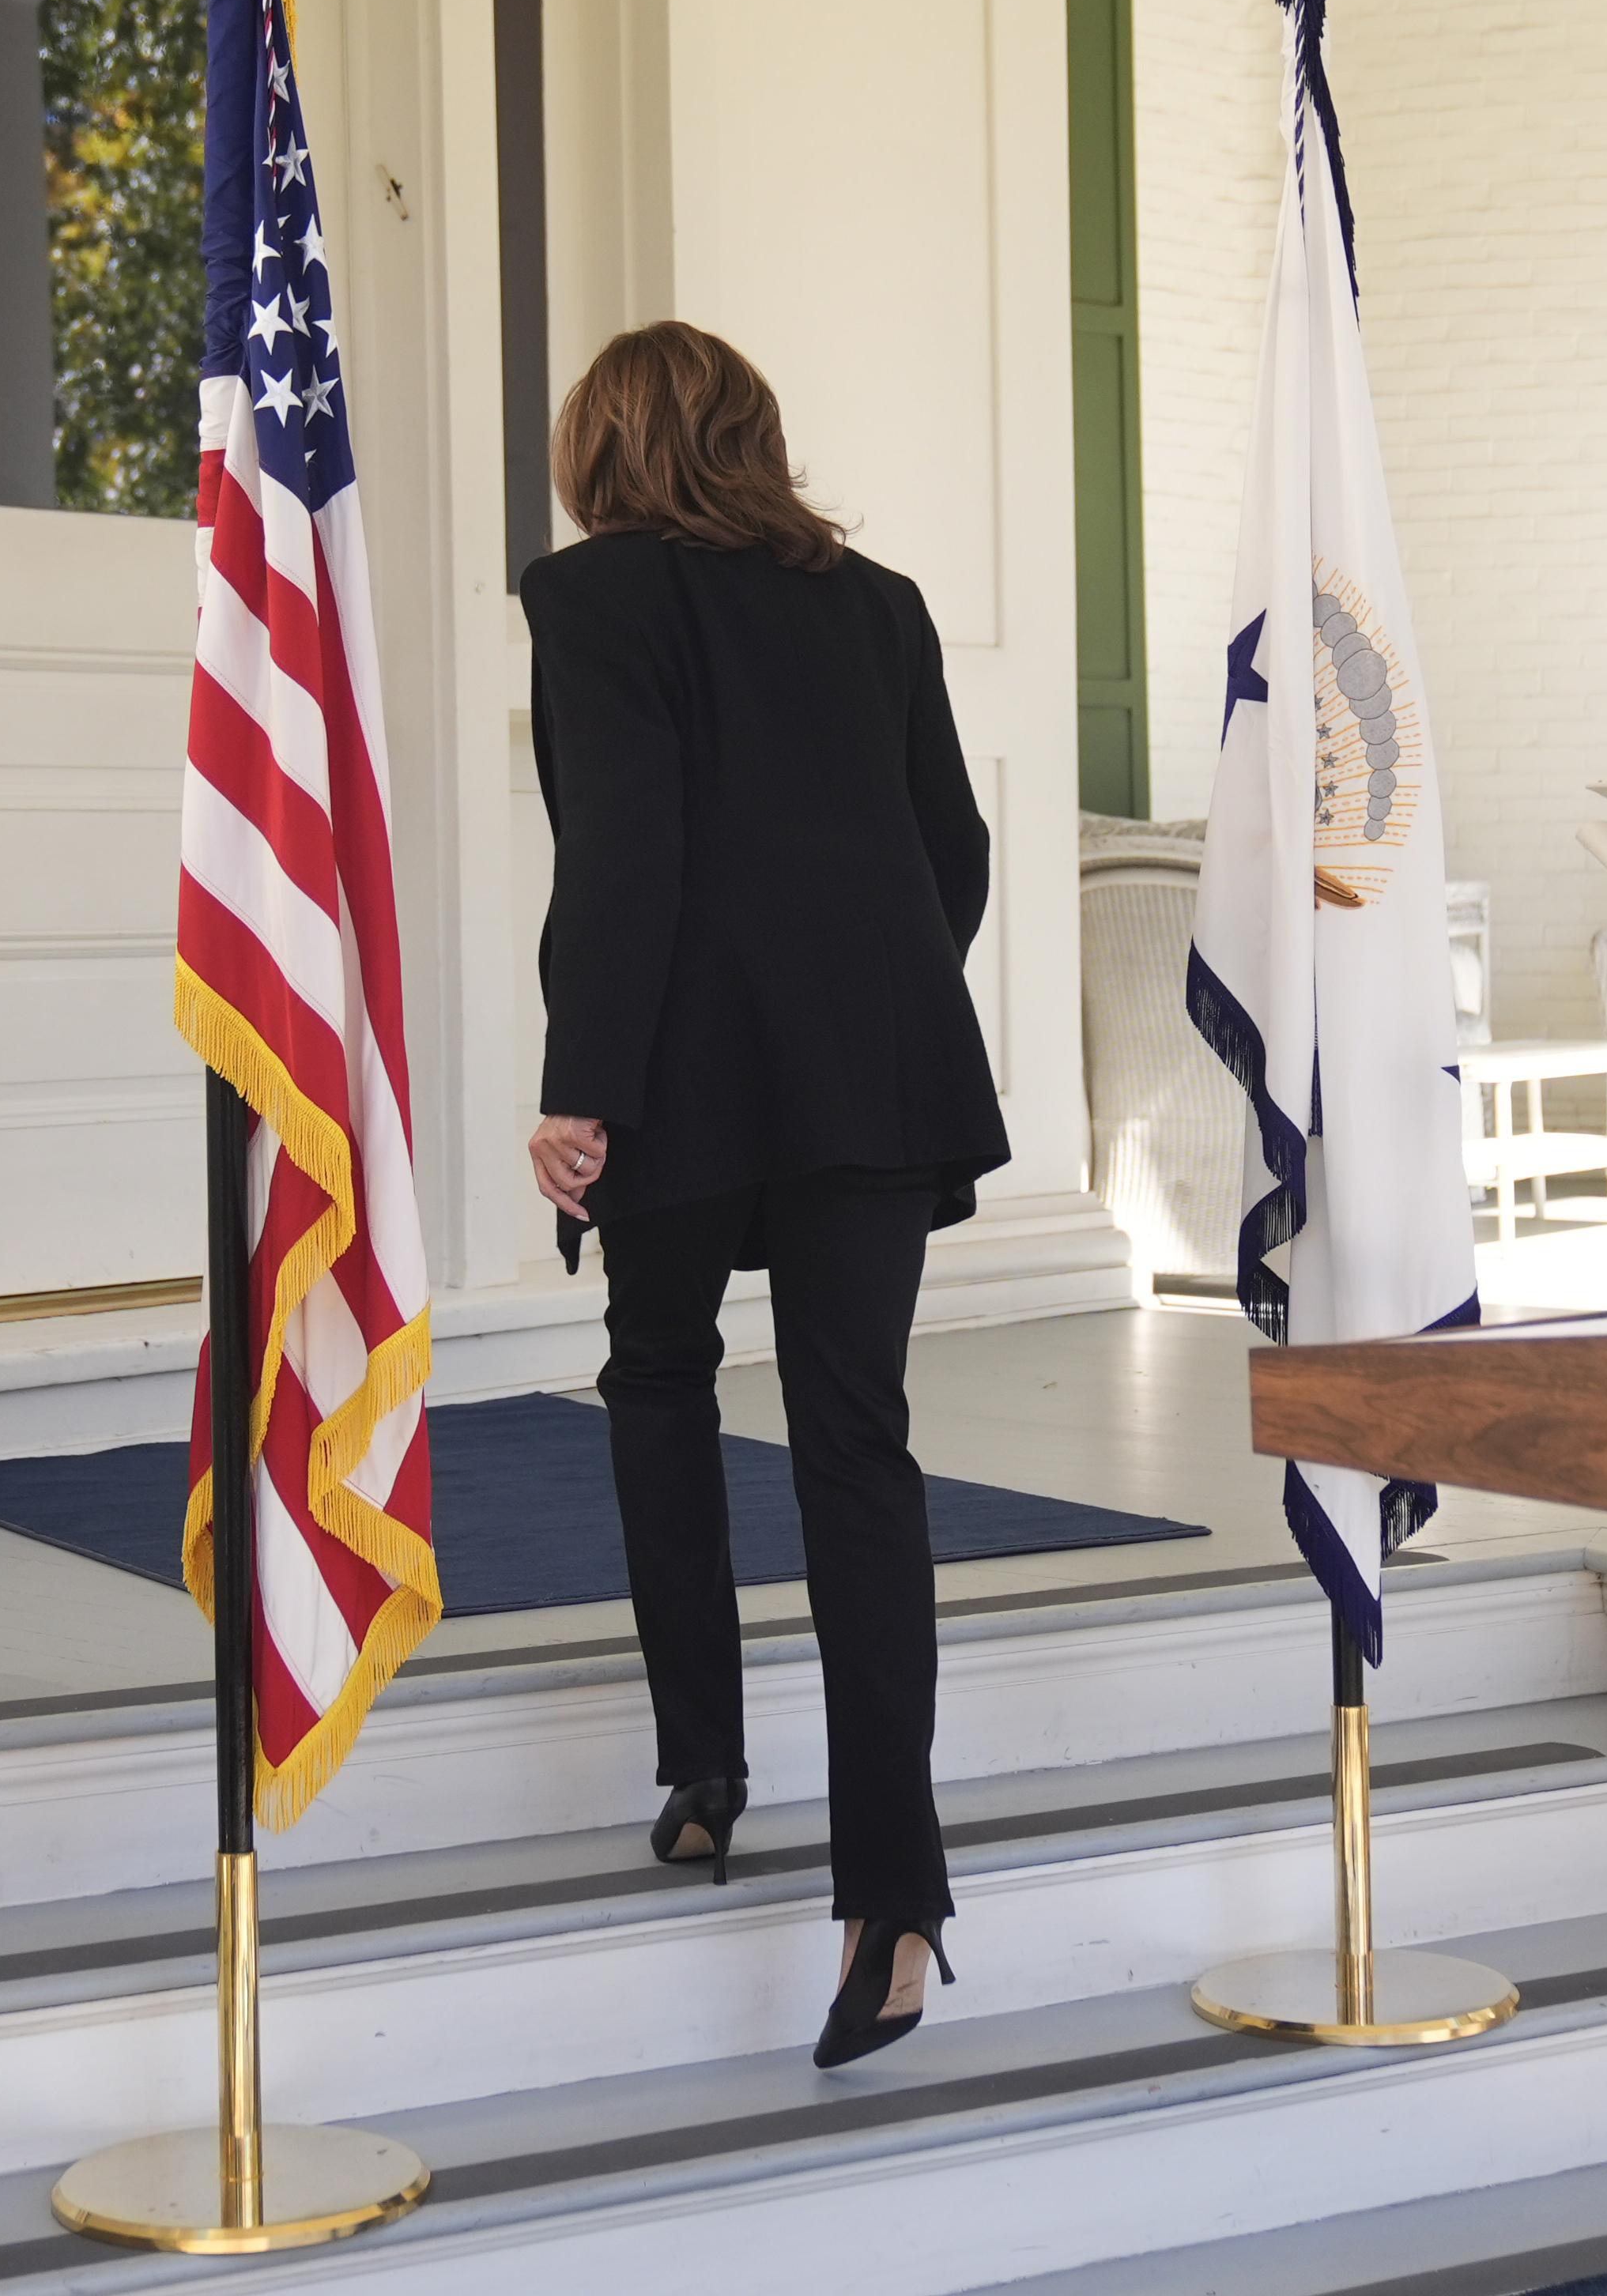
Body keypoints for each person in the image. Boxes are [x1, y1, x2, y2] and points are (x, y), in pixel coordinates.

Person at [519, 320, 1007, 2070]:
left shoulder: (591, 601)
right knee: (854, 1442)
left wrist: (584, 1083)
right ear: (753, 436)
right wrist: (855, 999)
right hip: (874, 1064)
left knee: (657, 1373)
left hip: (678, 1064)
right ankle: (896, 1904)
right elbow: (946, 850)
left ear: (602, 449)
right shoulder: (875, 603)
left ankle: (705, 1775)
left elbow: (623, 848)